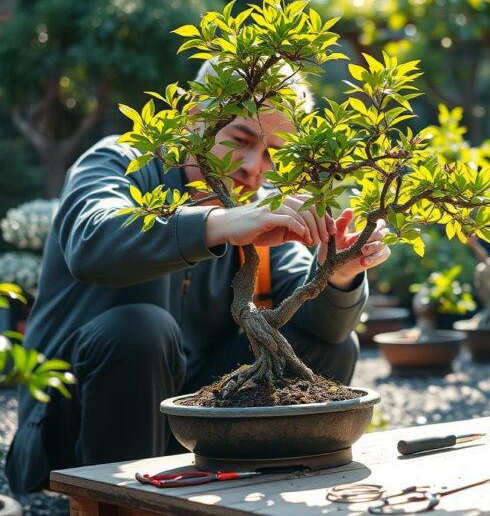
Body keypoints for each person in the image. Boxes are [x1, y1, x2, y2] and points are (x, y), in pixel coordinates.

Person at [5, 62, 390, 493]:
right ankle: (119, 503)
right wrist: (220, 223)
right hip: (70, 425)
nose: (253, 168)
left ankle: (260, 493)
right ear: (194, 120)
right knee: (140, 329)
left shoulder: (258, 207)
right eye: (240, 140)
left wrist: (338, 275)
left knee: (319, 347)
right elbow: (91, 241)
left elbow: (325, 330)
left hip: (183, 427)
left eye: (271, 153)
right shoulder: (121, 160)